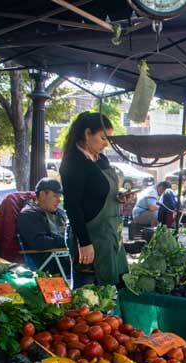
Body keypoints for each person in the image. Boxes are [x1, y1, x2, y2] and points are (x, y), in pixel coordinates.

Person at [59, 111, 129, 287]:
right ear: (87, 133)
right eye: (103, 138)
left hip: (110, 234)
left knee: (114, 289)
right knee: (88, 296)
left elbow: (100, 192)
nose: (106, 144)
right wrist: (84, 242)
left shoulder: (101, 159)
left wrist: (119, 196)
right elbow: (72, 205)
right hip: (89, 235)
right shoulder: (73, 163)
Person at [17, 178, 69, 274]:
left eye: (60, 197)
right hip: (48, 265)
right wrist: (67, 241)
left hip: (66, 259)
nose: (58, 200)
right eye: (55, 196)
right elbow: (39, 242)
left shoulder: (60, 213)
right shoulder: (29, 215)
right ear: (42, 195)